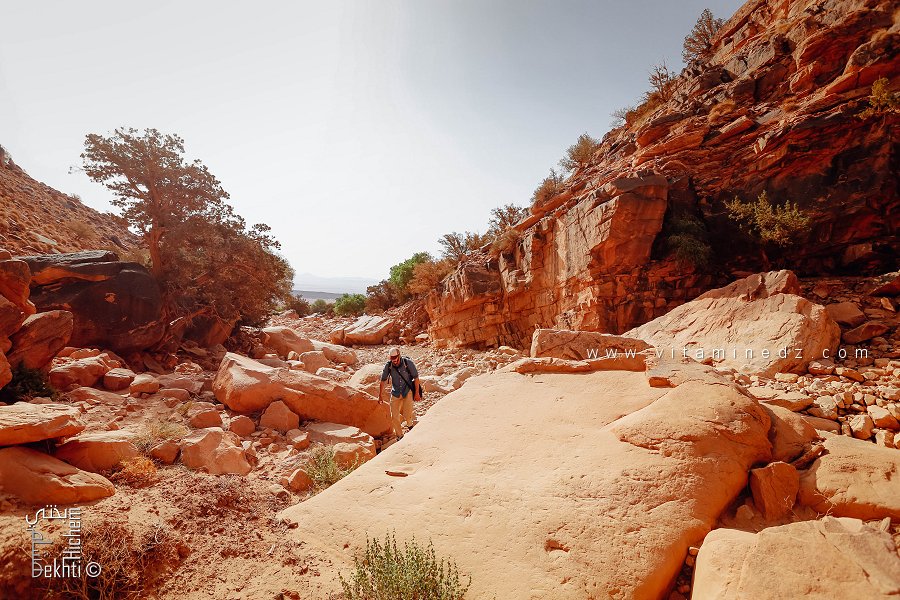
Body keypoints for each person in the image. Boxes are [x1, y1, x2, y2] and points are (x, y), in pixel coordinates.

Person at [378, 347, 420, 438]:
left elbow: (416, 378)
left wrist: (416, 393)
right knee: (394, 416)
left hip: (407, 391)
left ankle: (410, 425)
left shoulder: (407, 363)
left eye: (396, 358)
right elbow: (383, 380)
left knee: (408, 413)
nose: (394, 361)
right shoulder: (388, 365)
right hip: (395, 392)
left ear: (399, 355)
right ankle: (400, 436)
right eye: (392, 359)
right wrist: (380, 395)